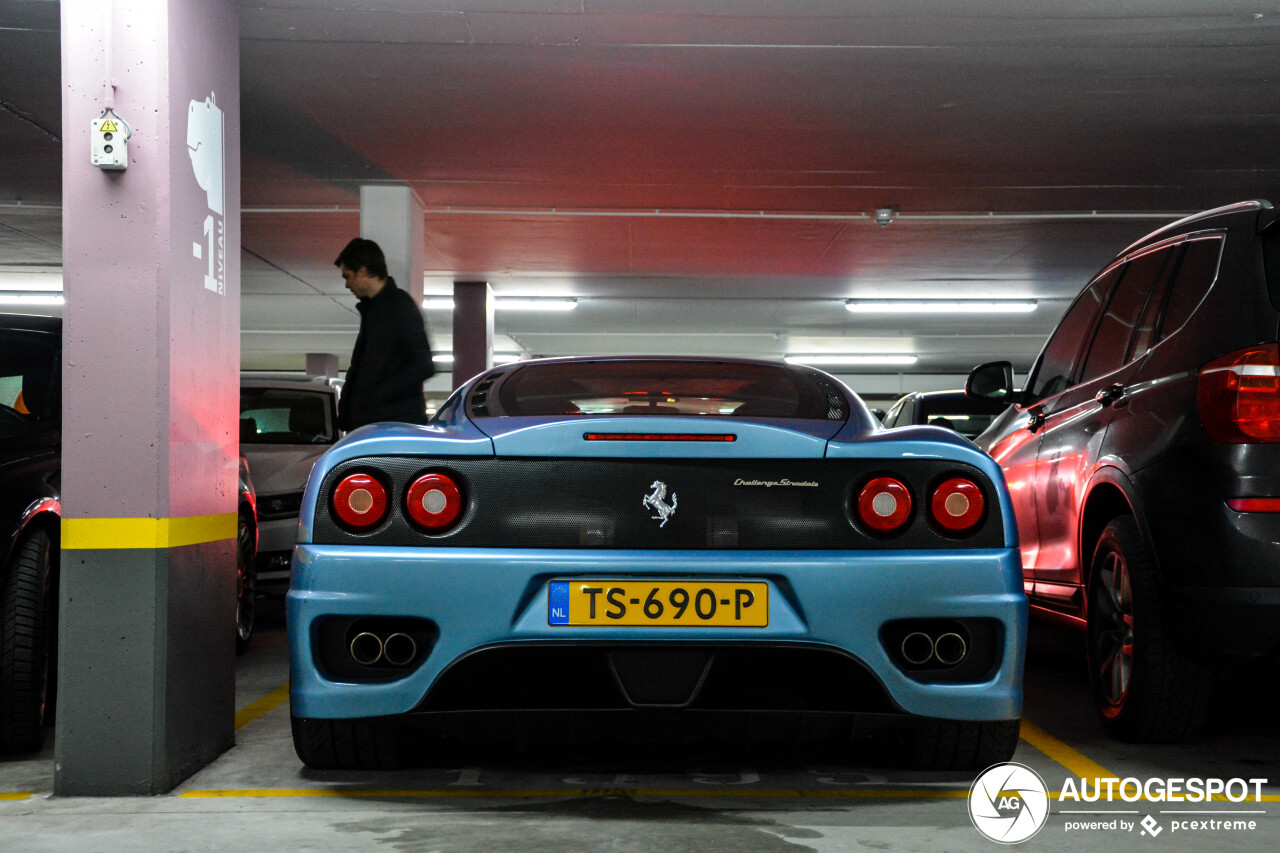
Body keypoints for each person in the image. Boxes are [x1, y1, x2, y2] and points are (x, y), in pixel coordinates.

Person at [333, 238, 435, 431]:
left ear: (363, 272)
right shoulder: (373, 310)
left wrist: (376, 396)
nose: (347, 285)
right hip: (377, 424)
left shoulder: (399, 307)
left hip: (391, 426)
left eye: (348, 276)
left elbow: (423, 366)